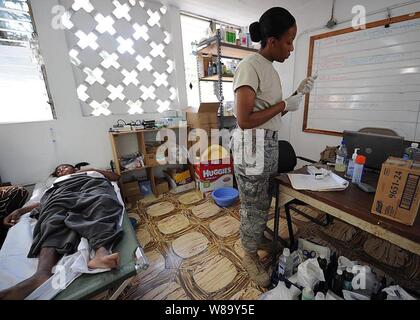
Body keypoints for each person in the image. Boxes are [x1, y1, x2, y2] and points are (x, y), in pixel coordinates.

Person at [231, 7, 315, 287]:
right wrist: (282, 104)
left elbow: (271, 113)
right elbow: (244, 120)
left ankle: (256, 237)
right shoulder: (250, 65)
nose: (291, 48)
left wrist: (294, 96)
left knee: (262, 200)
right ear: (272, 40)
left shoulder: (269, 70)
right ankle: (249, 253)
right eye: (289, 40)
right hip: (252, 145)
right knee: (253, 206)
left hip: (266, 144)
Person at [0, 164, 122, 300]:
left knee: (101, 202)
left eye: (64, 167)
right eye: (58, 171)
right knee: (51, 217)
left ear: (74, 168)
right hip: (61, 194)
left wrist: (90, 171)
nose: (61, 171)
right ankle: (41, 274)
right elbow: (43, 203)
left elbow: (115, 177)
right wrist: (20, 211)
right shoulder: (56, 183)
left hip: (92, 187)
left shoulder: (92, 173)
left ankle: (101, 253)